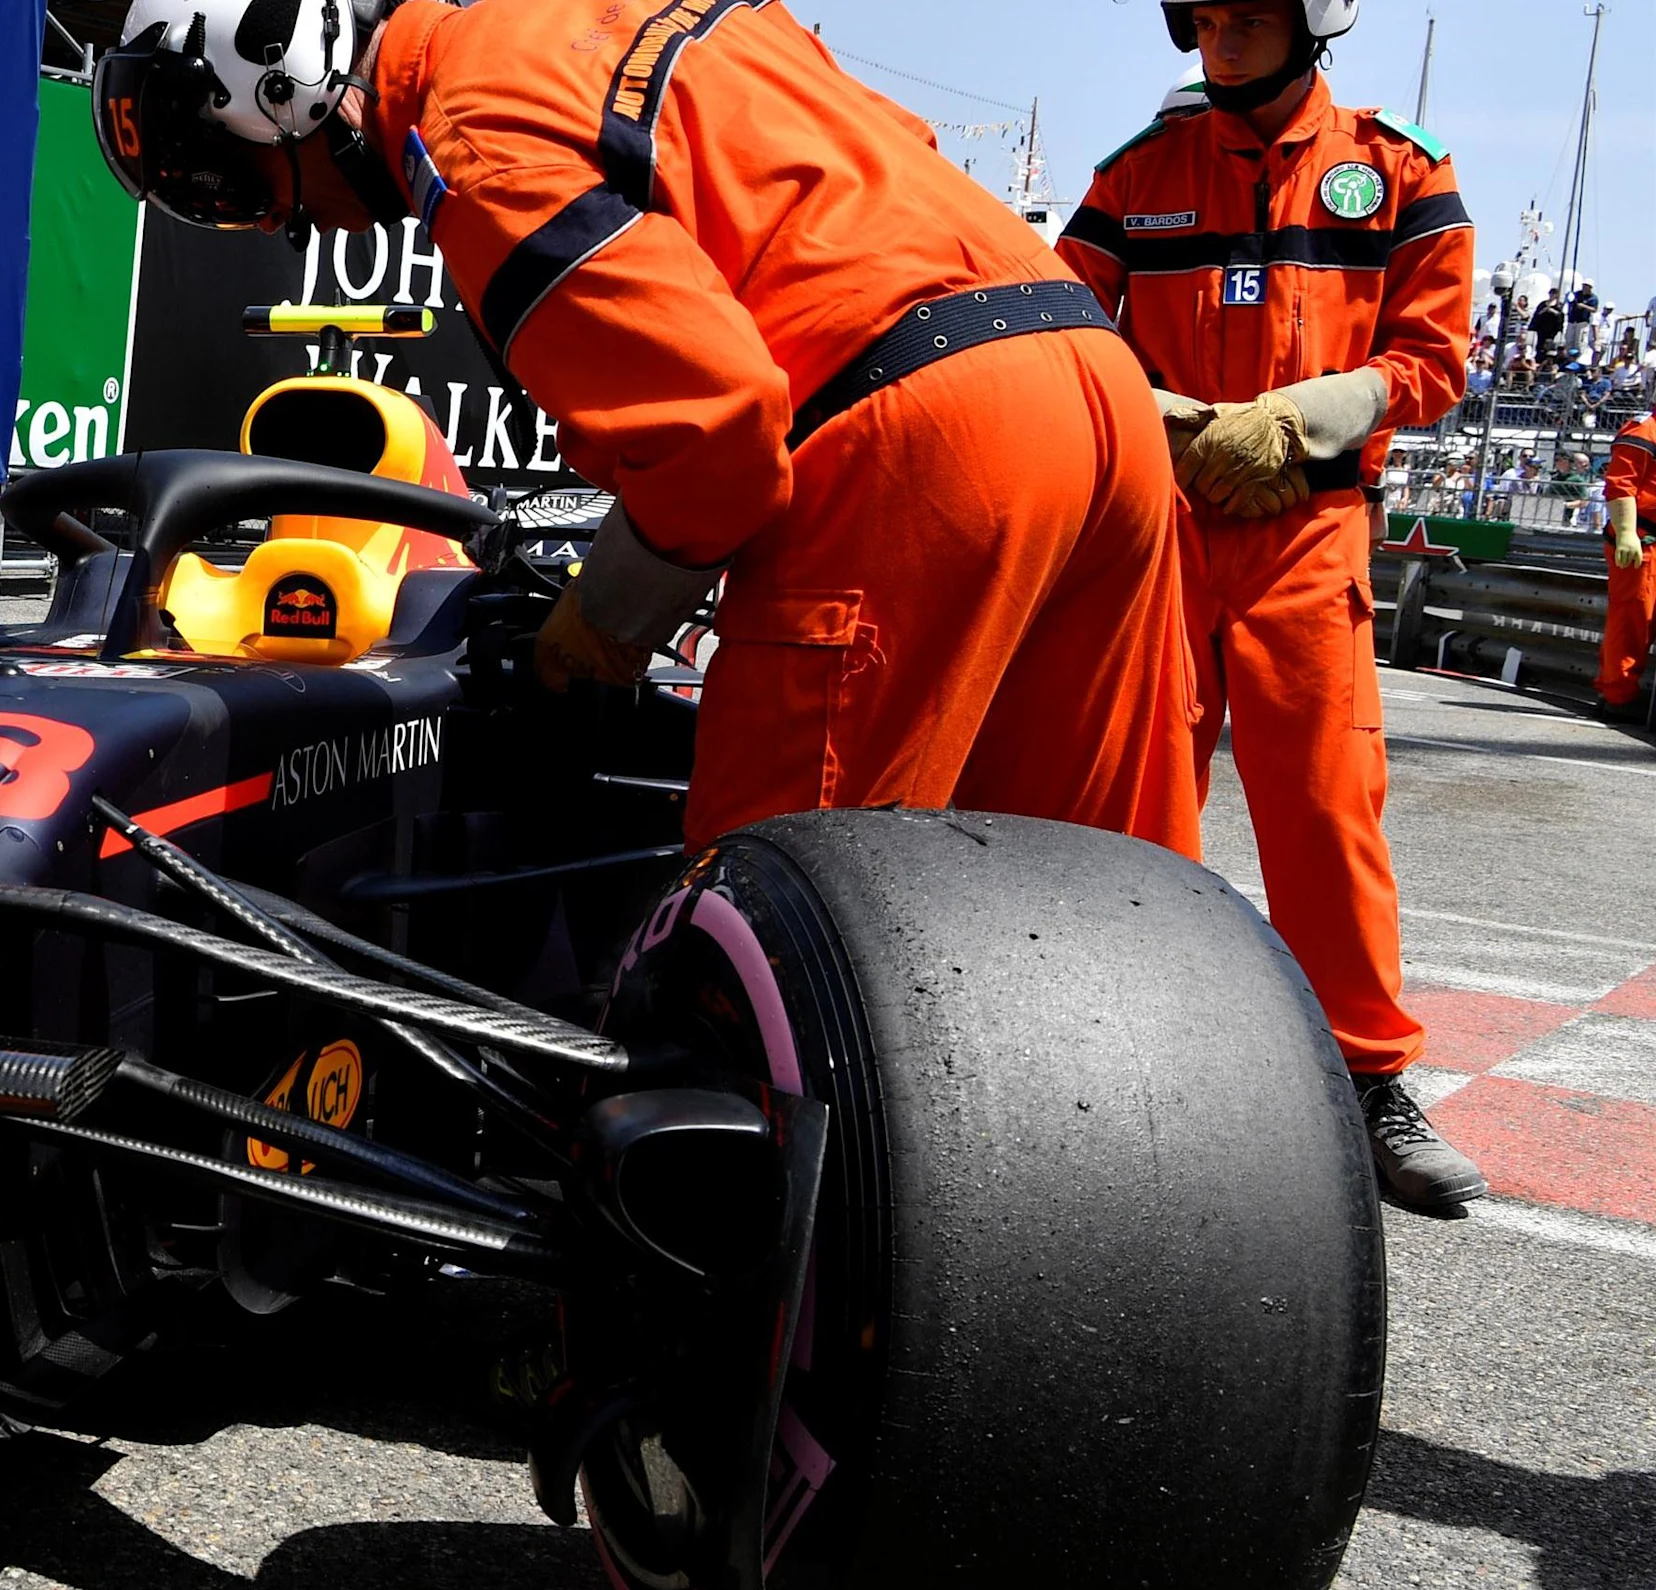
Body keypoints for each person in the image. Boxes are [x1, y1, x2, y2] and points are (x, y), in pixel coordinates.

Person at [87, 0, 1204, 862]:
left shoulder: (472, 143)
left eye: (230, 185)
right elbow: (889, 153)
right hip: (1089, 386)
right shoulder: (590, 22)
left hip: (922, 444)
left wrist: (605, 621)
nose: (275, 218)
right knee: (1100, 897)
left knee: (788, 933)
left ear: (286, 89)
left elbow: (712, 442)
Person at [1059, 0, 1486, 1216]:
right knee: (1132, 800)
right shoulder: (1132, 175)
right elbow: (1067, 334)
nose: (1221, 33)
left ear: (1314, 18)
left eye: (1249, 11)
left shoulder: (1396, 170)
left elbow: (1430, 361)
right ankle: (1118, 1057)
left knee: (1324, 809)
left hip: (1308, 531)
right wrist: (1176, 424)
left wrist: (1298, 420)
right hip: (1164, 525)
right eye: (1204, 12)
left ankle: (1365, 1083)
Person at [1602, 411, 1656, 713]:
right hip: (1642, 539)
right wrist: (1626, 533)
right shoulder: (1645, 430)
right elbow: (1621, 484)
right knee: (1633, 618)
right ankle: (1618, 697)